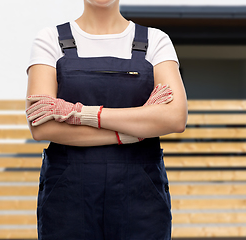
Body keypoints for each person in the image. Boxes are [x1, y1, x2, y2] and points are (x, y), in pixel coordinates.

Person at [25, 0, 188, 239]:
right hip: (68, 199)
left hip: (141, 198)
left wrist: (81, 114)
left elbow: (175, 117)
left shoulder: (156, 41)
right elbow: (41, 125)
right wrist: (133, 131)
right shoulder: (49, 40)